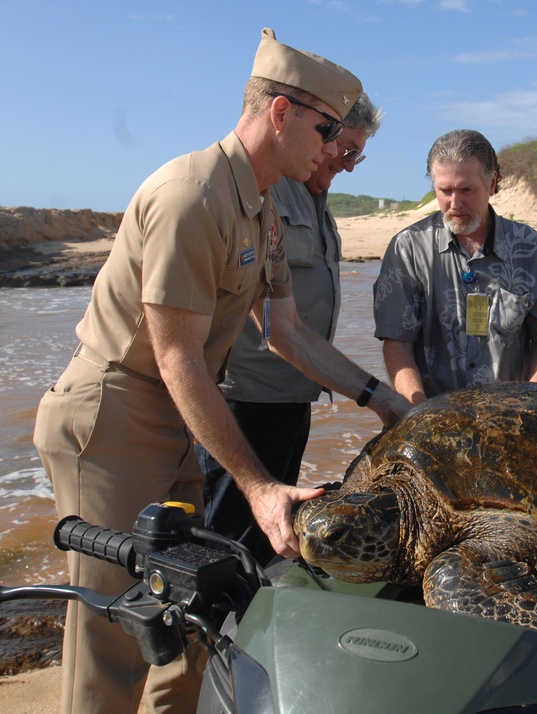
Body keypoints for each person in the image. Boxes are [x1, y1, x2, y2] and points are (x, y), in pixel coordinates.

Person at [32, 28, 409, 714]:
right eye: (328, 130)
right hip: (113, 416)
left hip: (177, 418)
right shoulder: (191, 194)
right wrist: (259, 488)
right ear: (281, 112)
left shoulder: (262, 206)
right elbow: (176, 355)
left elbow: (286, 333)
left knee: (193, 607)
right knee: (114, 633)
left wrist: (380, 397)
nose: (335, 149)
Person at [196, 93, 382, 567]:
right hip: (244, 404)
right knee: (227, 550)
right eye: (345, 148)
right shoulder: (271, 193)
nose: (348, 163)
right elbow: (280, 328)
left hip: (294, 399)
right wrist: (378, 396)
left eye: (358, 155)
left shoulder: (320, 201)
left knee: (270, 540)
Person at [373, 129, 537, 403]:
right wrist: (418, 413)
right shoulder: (406, 249)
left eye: (466, 190)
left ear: (492, 183)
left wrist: (528, 404)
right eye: (445, 191)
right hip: (432, 414)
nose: (455, 203)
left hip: (509, 414)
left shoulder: (531, 248)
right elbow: (397, 342)